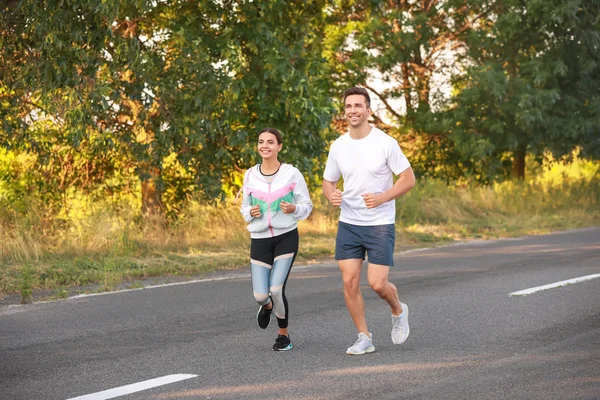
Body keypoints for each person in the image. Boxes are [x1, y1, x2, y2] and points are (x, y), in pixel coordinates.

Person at [322, 86, 416, 355]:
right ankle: (364, 336)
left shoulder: (385, 143)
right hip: (349, 223)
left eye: (358, 106)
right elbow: (328, 182)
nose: (353, 110)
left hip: (379, 223)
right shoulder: (338, 146)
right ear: (345, 111)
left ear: (368, 110)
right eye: (349, 106)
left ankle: (398, 310)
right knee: (349, 281)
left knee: (377, 283)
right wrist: (331, 195)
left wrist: (383, 197)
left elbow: (408, 179)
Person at [240, 127, 313, 351]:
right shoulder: (250, 174)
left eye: (270, 142)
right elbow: (244, 207)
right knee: (261, 295)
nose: (265, 145)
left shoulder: (291, 174)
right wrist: (249, 213)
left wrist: (294, 208)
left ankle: (283, 336)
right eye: (261, 141)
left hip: (286, 236)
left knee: (276, 288)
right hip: (260, 237)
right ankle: (267, 306)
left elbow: (307, 206)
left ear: (279, 147)